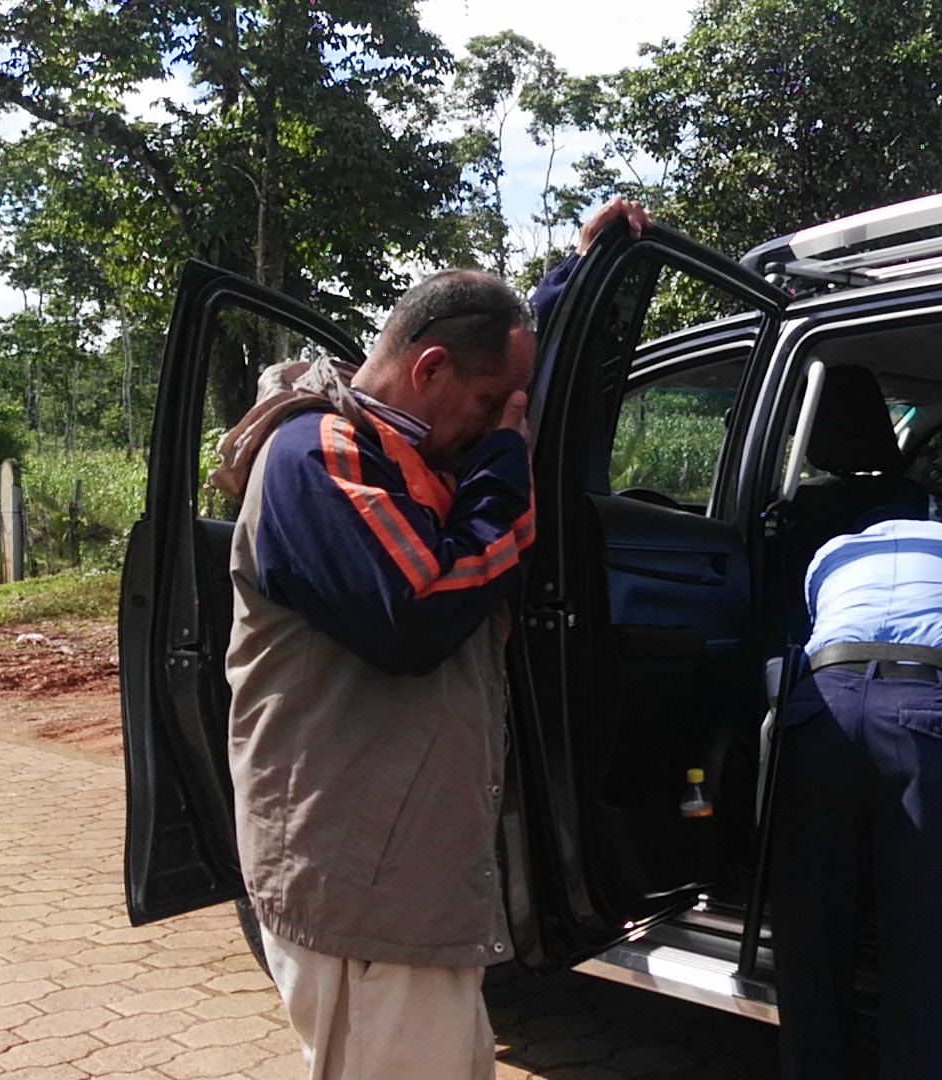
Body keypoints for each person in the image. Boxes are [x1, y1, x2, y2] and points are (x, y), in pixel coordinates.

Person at [220, 199, 649, 1080]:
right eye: (491, 406)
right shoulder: (317, 456)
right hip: (361, 888)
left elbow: (501, 367)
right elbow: (417, 607)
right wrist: (505, 467)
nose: (502, 425)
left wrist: (571, 279)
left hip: (402, 885)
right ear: (430, 368)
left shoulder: (403, 443)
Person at [771, 506, 942, 1080]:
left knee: (811, 920)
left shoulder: (832, 552)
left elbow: (823, 624)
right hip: (925, 712)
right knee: (932, 928)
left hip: (820, 707)